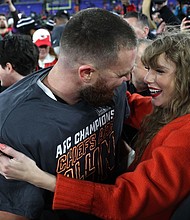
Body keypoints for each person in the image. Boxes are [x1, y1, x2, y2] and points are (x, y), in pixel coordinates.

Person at [1, 32, 190, 220]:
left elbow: (125, 200)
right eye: (149, 68)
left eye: (160, 71)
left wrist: (42, 179)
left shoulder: (185, 135)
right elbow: (130, 104)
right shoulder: (172, 106)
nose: (147, 78)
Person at [0, 8, 137, 220]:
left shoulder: (111, 87)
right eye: (122, 74)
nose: (129, 78)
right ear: (87, 73)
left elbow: (118, 144)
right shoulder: (12, 122)